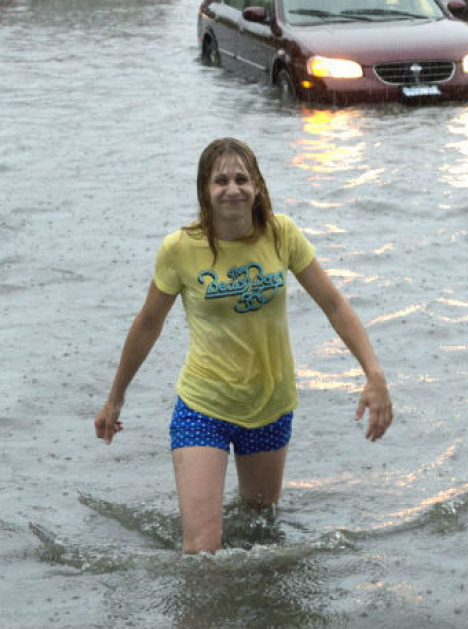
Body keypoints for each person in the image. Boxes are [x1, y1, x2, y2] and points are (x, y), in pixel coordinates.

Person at [94, 137, 393, 554]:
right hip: (204, 406)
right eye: (220, 180)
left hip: (270, 405)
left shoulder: (280, 234)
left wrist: (373, 373)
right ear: (204, 191)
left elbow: (335, 305)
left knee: (258, 532)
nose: (232, 189)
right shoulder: (179, 249)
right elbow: (147, 324)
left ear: (257, 187)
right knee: (202, 552)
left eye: (241, 179)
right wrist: (115, 399)